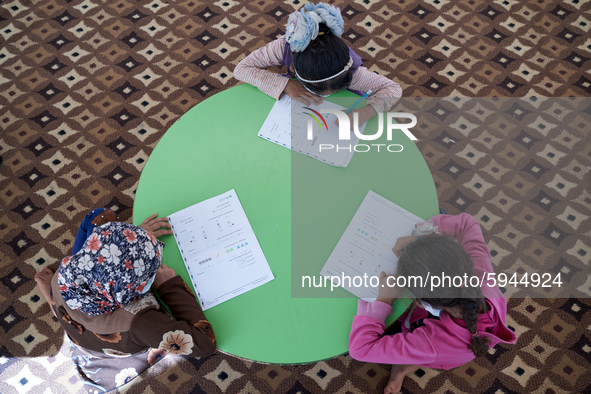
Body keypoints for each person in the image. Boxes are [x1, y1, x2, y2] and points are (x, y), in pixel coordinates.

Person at [34, 208, 217, 392]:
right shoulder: (140, 321)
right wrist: (169, 286)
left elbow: (107, 265)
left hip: (67, 309)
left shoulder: (66, 271)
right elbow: (205, 344)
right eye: (150, 275)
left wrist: (124, 242)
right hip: (101, 342)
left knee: (99, 215)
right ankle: (53, 301)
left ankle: (51, 297)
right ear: (130, 295)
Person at [348, 213, 516, 394]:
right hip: (460, 346)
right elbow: (467, 222)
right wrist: (419, 240)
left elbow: (360, 348)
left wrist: (384, 301)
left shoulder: (430, 343)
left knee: (409, 343)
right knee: (419, 353)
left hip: (438, 351)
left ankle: (405, 364)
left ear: (419, 302)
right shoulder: (480, 271)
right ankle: (406, 363)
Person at [234, 2, 402, 126]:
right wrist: (285, 84)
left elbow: (394, 89)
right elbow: (241, 69)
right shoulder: (281, 46)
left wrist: (363, 114)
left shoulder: (352, 74)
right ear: (293, 69)